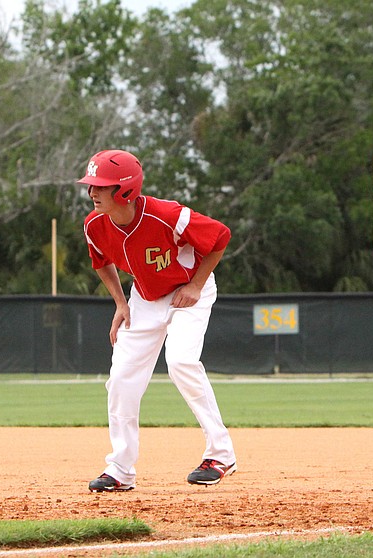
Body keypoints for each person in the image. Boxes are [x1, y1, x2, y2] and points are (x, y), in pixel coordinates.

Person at [78, 149, 237, 492]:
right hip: (144, 298)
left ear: (124, 190)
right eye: (91, 184)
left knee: (180, 360)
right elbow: (101, 262)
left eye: (100, 186)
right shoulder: (95, 225)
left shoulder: (167, 215)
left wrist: (196, 285)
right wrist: (121, 303)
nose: (92, 192)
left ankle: (221, 454)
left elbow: (220, 236)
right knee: (121, 378)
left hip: (188, 292)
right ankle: (120, 469)